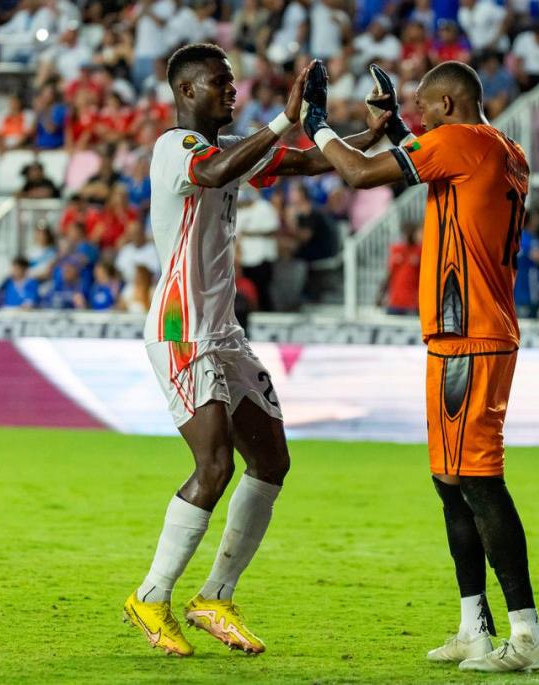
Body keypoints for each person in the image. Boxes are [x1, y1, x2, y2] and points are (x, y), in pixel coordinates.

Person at [124, 43, 387, 658]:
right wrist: (281, 121)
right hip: (180, 331)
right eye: (220, 83)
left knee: (271, 462)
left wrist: (372, 135)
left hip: (225, 333)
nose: (231, 90)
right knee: (214, 467)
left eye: (232, 82)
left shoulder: (230, 150)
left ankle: (215, 595)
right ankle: (152, 594)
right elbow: (214, 172)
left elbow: (303, 165)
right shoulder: (176, 149)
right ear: (187, 92)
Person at [301, 60, 539, 672]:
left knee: (478, 479)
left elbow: (359, 175)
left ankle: (527, 636)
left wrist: (317, 126)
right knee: (450, 482)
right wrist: (392, 129)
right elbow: (421, 158)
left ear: (446, 106)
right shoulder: (498, 147)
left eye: (423, 109)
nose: (420, 120)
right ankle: (474, 626)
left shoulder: (461, 143)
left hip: (473, 334)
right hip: (462, 335)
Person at [236, 186, 280, 311]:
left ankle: (267, 314)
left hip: (262, 257)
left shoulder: (264, 207)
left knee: (263, 289)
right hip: (245, 258)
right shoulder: (240, 211)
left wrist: (250, 233)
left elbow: (272, 228)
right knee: (249, 289)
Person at [380, 221, 421, 315]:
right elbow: (389, 273)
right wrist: (381, 295)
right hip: (396, 301)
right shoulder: (396, 249)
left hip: (413, 302)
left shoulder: (420, 250)